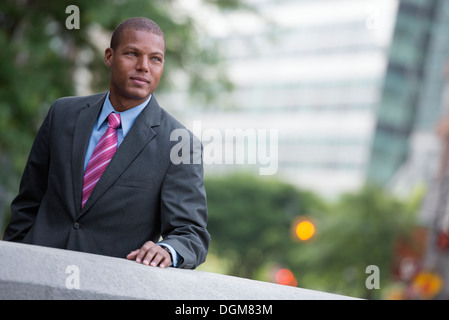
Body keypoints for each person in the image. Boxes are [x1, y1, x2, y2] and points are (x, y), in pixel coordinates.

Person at [3, 17, 210, 269]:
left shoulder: (180, 143)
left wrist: (167, 250)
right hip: (34, 271)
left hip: (108, 284)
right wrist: (11, 262)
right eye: (132, 54)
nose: (144, 66)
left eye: (155, 58)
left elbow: (191, 233)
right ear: (109, 56)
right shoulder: (62, 114)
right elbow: (28, 201)